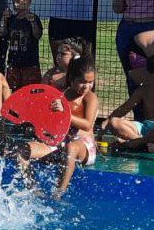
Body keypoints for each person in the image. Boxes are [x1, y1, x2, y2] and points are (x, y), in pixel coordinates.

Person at [11, 55, 99, 198]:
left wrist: (65, 113)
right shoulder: (61, 94)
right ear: (71, 78)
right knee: (22, 151)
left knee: (71, 147)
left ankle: (58, 193)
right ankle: (34, 190)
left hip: (83, 146)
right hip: (59, 142)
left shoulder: (90, 98)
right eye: (82, 82)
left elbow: (87, 125)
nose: (86, 86)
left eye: (90, 82)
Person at [106, 53, 154, 153]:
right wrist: (107, 121)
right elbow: (125, 108)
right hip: (146, 129)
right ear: (150, 74)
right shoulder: (143, 90)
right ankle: (146, 144)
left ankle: (138, 143)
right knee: (114, 122)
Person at [0, 0, 44, 90]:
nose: (15, 4)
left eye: (18, 1)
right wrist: (4, 19)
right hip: (13, 62)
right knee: (14, 89)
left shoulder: (33, 18)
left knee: (31, 90)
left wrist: (33, 23)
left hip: (30, 62)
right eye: (13, 1)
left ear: (28, 1)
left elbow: (38, 35)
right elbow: (2, 33)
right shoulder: (11, 19)